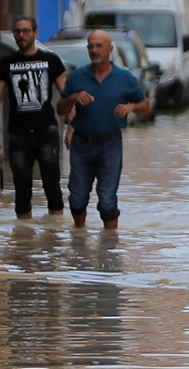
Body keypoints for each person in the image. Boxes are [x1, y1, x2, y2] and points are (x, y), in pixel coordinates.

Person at [57, 30, 152, 229]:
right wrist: (73, 98)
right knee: (77, 199)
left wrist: (130, 107)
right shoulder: (77, 76)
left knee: (108, 201)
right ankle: (79, 239)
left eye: (99, 45)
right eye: (91, 46)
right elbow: (60, 108)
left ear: (110, 49)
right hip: (81, 144)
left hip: (111, 145)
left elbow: (146, 105)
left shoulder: (124, 77)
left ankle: (109, 246)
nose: (94, 50)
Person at [0, 16, 67, 219]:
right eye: (17, 31)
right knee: (21, 188)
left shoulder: (51, 61)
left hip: (47, 130)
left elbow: (67, 96)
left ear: (35, 33)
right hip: (18, 134)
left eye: (26, 31)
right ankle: (24, 237)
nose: (21, 35)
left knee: (52, 184)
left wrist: (73, 127)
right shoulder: (7, 63)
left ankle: (55, 234)